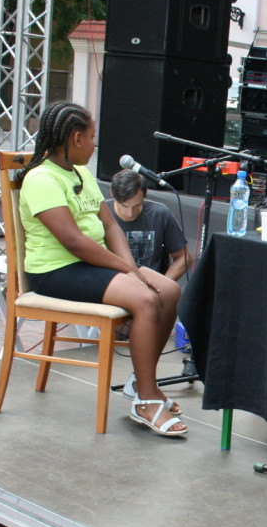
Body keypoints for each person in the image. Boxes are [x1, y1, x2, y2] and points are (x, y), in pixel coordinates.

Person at [19, 101, 186, 437]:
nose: (95, 145)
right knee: (146, 300)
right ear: (76, 138)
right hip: (56, 271)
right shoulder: (41, 179)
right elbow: (74, 242)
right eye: (92, 137)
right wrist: (126, 269)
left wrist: (129, 267)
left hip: (89, 265)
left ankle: (140, 383)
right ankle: (147, 401)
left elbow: (109, 226)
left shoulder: (79, 173)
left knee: (169, 290)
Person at [109, 170, 191, 282]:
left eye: (137, 206)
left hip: (149, 285)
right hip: (112, 285)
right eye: (124, 206)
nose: (130, 213)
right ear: (112, 195)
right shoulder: (101, 213)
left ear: (145, 194)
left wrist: (163, 284)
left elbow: (183, 257)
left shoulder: (160, 214)